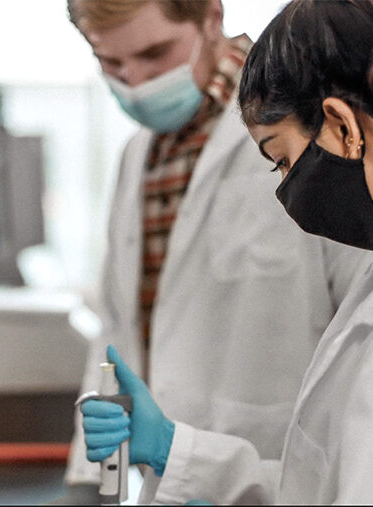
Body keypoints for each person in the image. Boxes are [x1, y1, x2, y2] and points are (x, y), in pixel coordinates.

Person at [80, 0, 373, 504]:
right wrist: (109, 475)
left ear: (211, 18)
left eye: (154, 54)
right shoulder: (138, 155)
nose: (136, 82)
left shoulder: (302, 124)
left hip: (278, 448)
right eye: (112, 63)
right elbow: (116, 322)